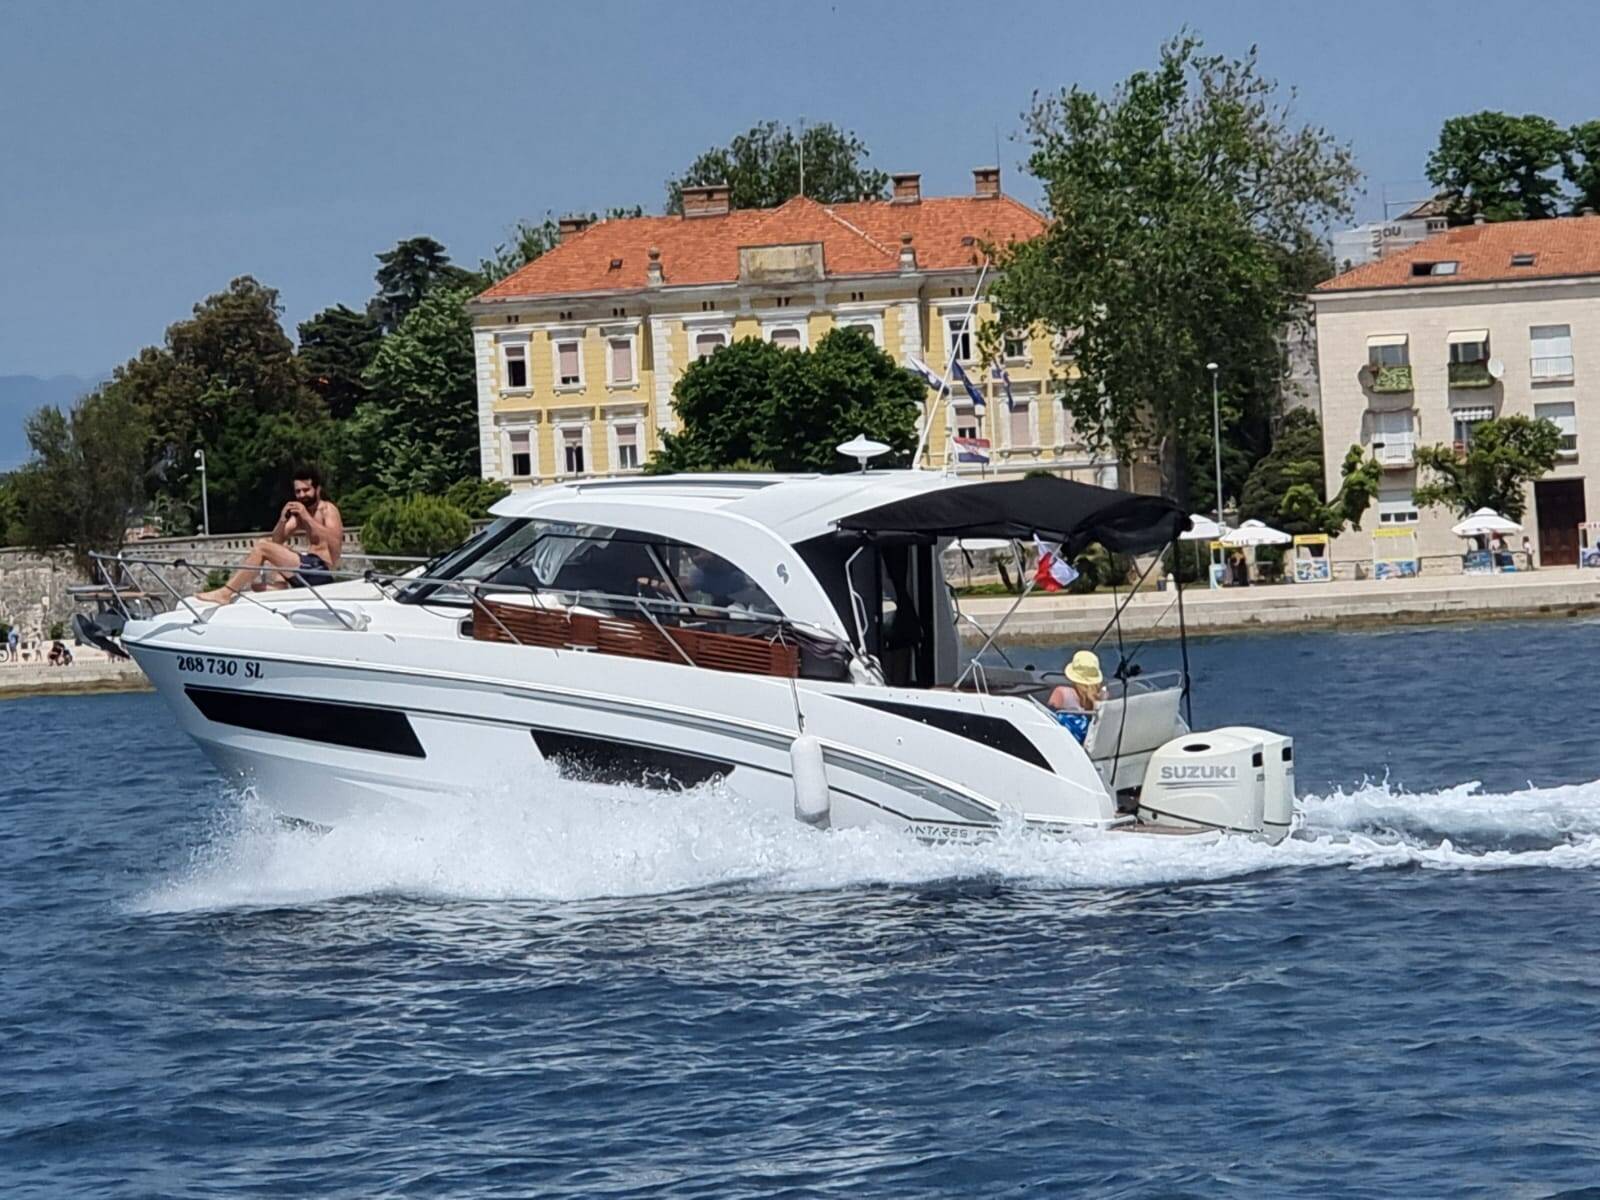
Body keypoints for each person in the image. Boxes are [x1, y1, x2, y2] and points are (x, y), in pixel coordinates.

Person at [197, 466, 344, 605]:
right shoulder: (301, 514)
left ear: (317, 489)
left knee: (263, 548)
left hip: (320, 570)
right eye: (298, 491)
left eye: (306, 490)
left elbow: (335, 542)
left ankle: (225, 593)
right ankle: (280, 585)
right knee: (271, 544)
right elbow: (277, 539)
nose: (302, 495)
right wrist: (282, 520)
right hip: (307, 570)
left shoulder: (328, 510)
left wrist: (307, 518)